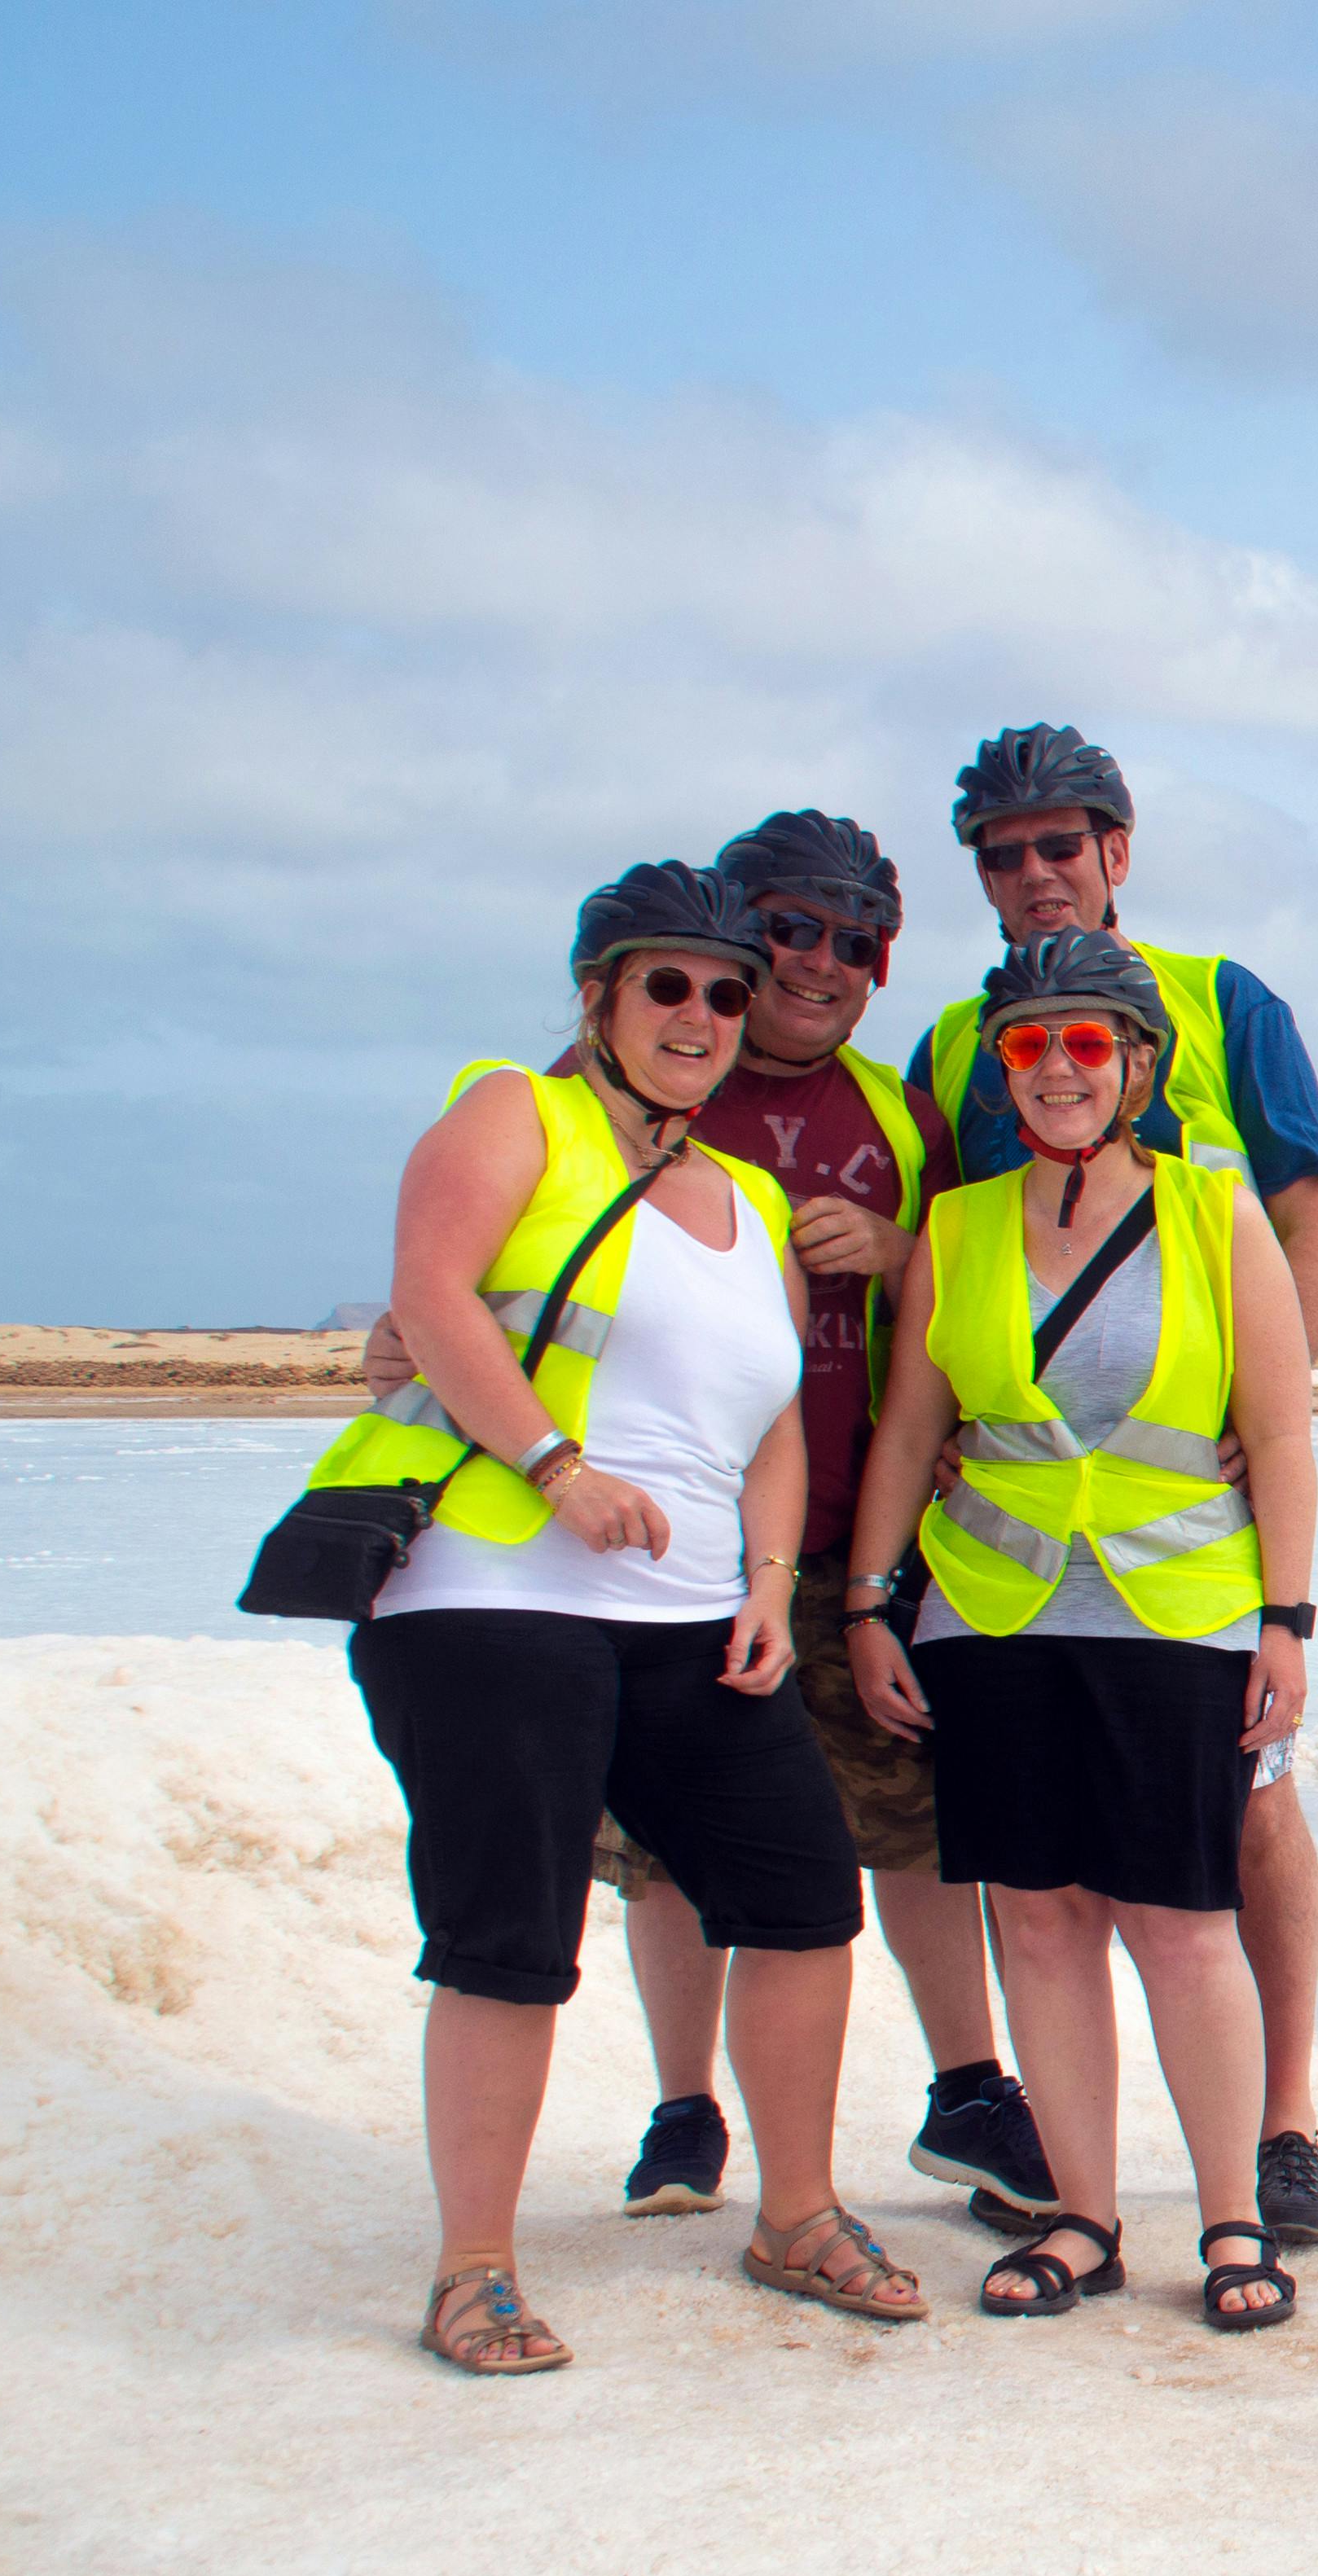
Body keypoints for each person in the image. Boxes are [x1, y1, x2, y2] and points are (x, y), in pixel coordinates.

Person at [366, 811, 1044, 2223]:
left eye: (855, 943)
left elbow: (971, 1293)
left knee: (901, 1823)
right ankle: (686, 2111)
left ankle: (970, 2093)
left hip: (846, 1524)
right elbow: (466, 1268)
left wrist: (898, 1248)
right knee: (660, 1860)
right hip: (603, 1551)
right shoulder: (581, 1095)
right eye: (784, 933)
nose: (810, 968)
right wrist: (456, 1381)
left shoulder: (893, 1112)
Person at [314, 862, 920, 2373]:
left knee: (798, 1897)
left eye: (726, 993)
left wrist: (772, 1589)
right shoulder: (517, 1113)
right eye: (668, 986)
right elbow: (433, 1298)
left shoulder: (750, 1198)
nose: (701, 1017)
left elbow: (776, 1423)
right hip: (490, 1592)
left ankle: (795, 2216)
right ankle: (475, 2269)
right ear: (599, 997)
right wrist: (555, 1468)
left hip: (689, 1616)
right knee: (509, 1933)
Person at [906, 723, 1318, 2255]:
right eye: (1003, 855)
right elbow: (933, 1260)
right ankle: (1081, 2189)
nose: (1033, 875)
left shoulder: (1225, 1003)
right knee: (1047, 1891)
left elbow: (1315, 1222)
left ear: (1116, 847)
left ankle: (1282, 2127)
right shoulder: (963, 1043)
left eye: (1058, 845)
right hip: (1017, 1557)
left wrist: (1260, 1396)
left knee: (1252, 1821)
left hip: (1197, 1528)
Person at [850, 931, 1318, 2332]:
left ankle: (1232, 2218)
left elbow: (1283, 1433)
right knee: (1039, 1924)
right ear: (1003, 1069)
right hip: (991, 1617)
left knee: (1181, 1925)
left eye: (1088, 1043)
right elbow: (912, 1429)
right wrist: (876, 1602)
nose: (1057, 1067)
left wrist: (1284, 1623)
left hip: (1174, 1619)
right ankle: (1083, 2217)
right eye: (1029, 1045)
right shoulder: (962, 1227)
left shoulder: (1216, 1215)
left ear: (1137, 1065)